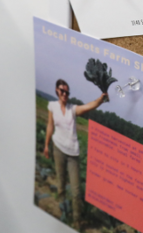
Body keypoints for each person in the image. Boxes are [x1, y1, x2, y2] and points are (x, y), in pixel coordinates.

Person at [43, 79, 107, 228]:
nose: (65, 94)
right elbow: (49, 125)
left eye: (67, 92)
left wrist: (100, 99)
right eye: (62, 91)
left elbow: (89, 106)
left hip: (72, 153)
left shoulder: (73, 109)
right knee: (60, 182)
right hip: (57, 148)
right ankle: (61, 209)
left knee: (76, 191)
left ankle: (77, 221)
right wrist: (46, 145)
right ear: (57, 91)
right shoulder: (52, 106)